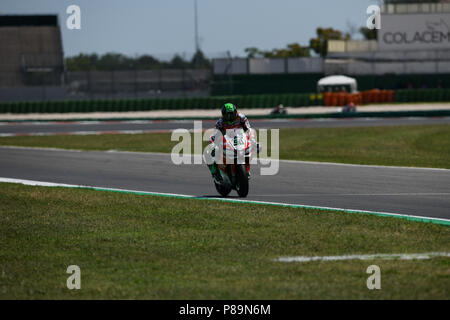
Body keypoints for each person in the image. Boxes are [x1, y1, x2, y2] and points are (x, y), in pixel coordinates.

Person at [207, 103, 255, 182]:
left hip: (240, 139)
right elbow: (215, 134)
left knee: (252, 148)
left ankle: (247, 169)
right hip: (226, 141)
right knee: (209, 152)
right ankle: (215, 173)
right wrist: (213, 143)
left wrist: (252, 139)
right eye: (227, 115)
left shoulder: (241, 118)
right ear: (223, 115)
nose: (229, 117)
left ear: (235, 112)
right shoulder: (220, 122)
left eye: (231, 114)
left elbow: (249, 129)